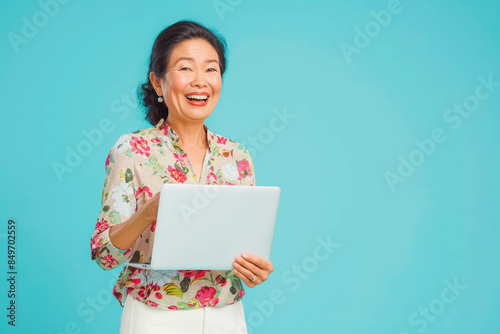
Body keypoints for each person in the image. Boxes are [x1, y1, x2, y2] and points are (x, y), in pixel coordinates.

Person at [90, 20, 274, 334]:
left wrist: (254, 268)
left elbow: (242, 245)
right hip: (154, 315)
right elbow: (104, 255)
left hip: (226, 315)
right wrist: (149, 211)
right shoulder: (133, 150)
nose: (200, 82)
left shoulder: (237, 156)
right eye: (186, 68)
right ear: (158, 82)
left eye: (211, 69)